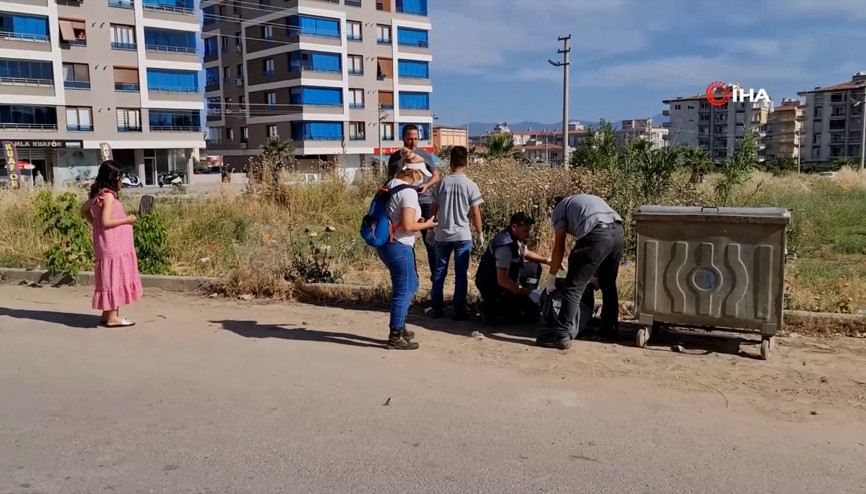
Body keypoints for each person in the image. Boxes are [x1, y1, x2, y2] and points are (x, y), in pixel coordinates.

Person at [536, 194, 624, 350]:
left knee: (573, 286)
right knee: (608, 283)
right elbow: (596, 249)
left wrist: (552, 276)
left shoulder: (559, 209)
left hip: (598, 232)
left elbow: (559, 247)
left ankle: (561, 334)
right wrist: (595, 274)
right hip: (618, 231)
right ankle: (610, 330)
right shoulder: (582, 201)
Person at [378, 150, 437, 350]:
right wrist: (428, 224)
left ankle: (400, 326)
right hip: (399, 245)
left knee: (411, 283)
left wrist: (416, 221)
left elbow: (398, 217)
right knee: (403, 290)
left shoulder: (391, 184)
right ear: (413, 173)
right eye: (420, 175)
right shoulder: (409, 192)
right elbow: (408, 226)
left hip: (387, 244)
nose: (421, 180)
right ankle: (395, 334)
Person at [79, 160, 142, 328]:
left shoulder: (97, 194)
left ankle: (107, 314)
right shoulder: (107, 196)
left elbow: (84, 210)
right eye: (119, 175)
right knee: (115, 276)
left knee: (108, 276)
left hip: (106, 242)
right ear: (113, 176)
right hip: (113, 243)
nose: (120, 179)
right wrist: (127, 220)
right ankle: (114, 317)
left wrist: (95, 224)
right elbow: (107, 221)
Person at [427, 146, 483, 320]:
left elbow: (433, 208)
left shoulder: (441, 183)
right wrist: (479, 233)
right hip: (462, 235)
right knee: (461, 274)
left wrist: (430, 229)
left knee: (439, 272)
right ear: (466, 162)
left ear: (450, 161)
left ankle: (436, 307)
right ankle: (459, 309)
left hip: (442, 234)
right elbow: (475, 213)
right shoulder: (470, 185)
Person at [475, 212, 551, 325]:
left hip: (507, 277)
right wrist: (528, 293)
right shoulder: (505, 246)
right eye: (525, 231)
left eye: (529, 231)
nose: (528, 235)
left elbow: (525, 252)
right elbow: (503, 281)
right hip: (493, 286)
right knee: (514, 317)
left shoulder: (515, 237)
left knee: (534, 267)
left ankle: (524, 303)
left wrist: (547, 261)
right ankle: (490, 307)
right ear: (514, 227)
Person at [388, 124, 440, 278]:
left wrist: (427, 185)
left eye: (416, 138)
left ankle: (436, 277)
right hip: (403, 205)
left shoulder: (425, 155)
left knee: (430, 241)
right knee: (406, 241)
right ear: (403, 138)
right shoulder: (394, 158)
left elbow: (436, 176)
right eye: (410, 138)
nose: (413, 142)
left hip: (424, 202)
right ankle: (412, 276)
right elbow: (390, 180)